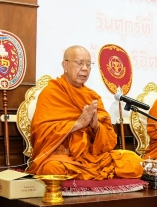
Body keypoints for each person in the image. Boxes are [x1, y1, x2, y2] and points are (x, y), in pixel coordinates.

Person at [26, 46, 142, 180]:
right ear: (65, 65)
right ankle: (90, 176)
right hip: (64, 157)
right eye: (79, 63)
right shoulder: (51, 93)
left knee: (134, 162)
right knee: (52, 169)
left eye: (88, 64)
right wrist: (78, 124)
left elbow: (110, 140)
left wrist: (96, 127)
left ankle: (86, 176)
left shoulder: (92, 96)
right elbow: (41, 133)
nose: (85, 68)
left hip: (93, 157)